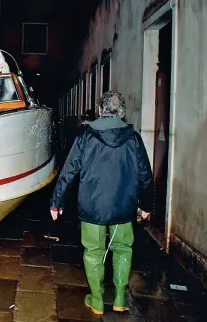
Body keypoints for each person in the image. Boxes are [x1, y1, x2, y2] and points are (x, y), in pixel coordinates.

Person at [50, 91, 153, 315]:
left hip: (92, 207)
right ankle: (119, 298)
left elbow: (68, 171)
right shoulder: (134, 138)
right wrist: (146, 206)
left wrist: (56, 202)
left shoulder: (85, 136)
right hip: (123, 208)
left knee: (93, 251)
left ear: (100, 110)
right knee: (123, 249)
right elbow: (145, 175)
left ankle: (96, 300)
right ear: (122, 113)